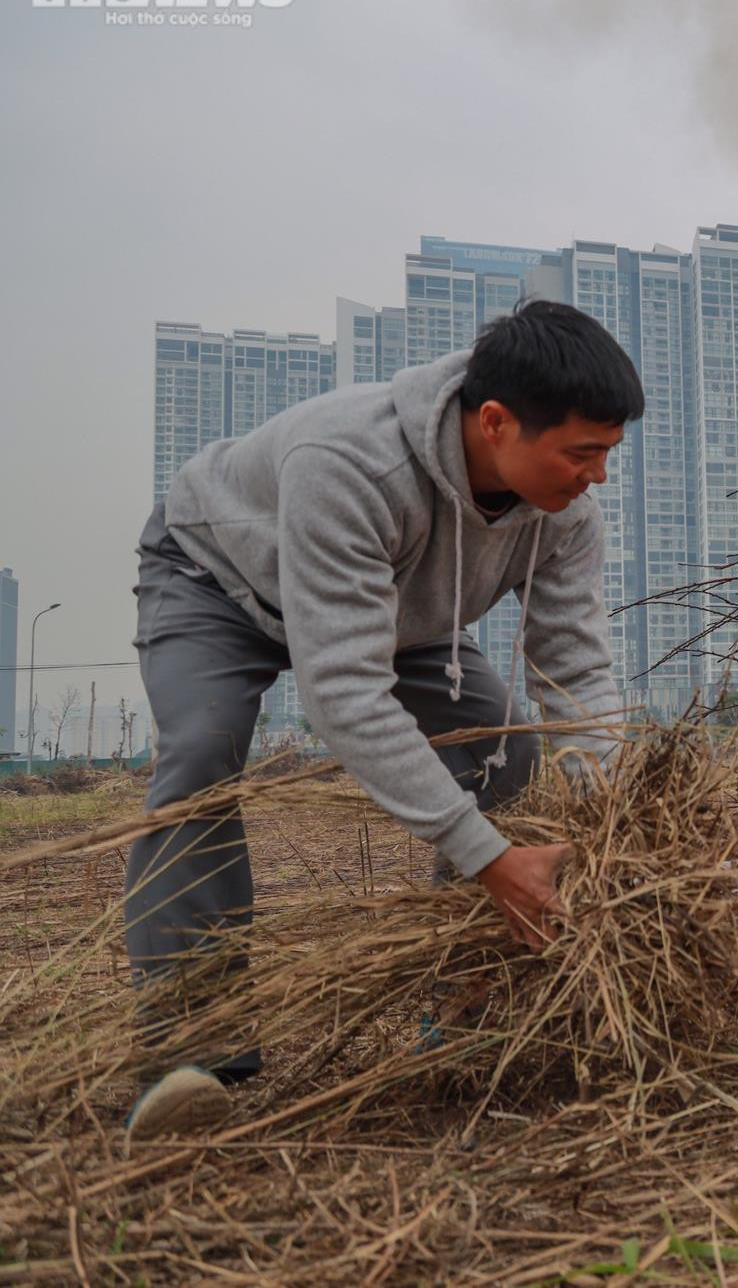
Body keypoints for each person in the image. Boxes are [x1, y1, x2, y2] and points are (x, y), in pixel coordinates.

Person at [122, 301, 639, 1139]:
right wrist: (487, 858)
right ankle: (189, 1055)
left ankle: (460, 1011)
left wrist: (612, 817)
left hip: (392, 617)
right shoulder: (350, 464)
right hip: (220, 583)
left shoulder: (567, 515)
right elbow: (345, 694)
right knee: (199, 759)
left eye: (608, 455)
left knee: (504, 751)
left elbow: (573, 669)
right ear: (498, 422)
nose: (598, 478)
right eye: (583, 454)